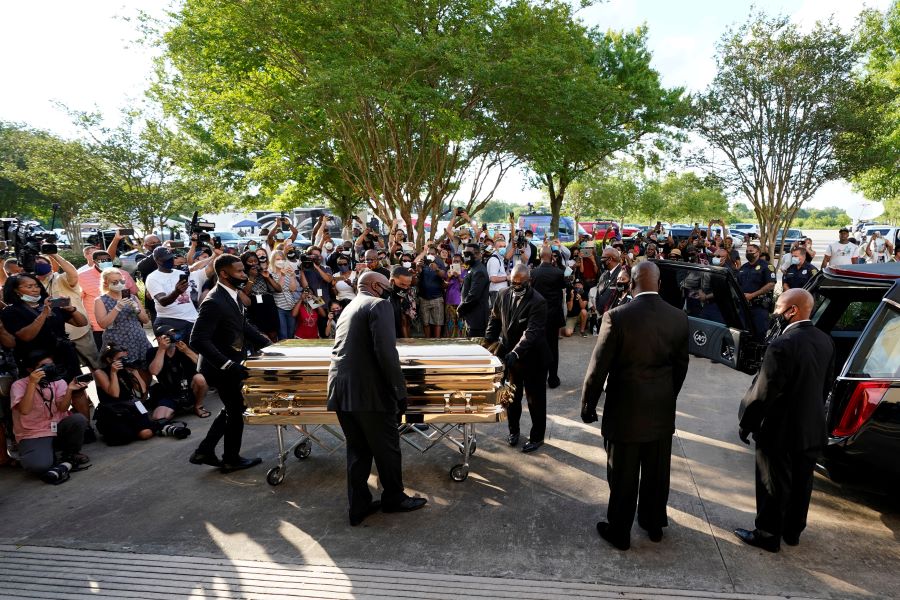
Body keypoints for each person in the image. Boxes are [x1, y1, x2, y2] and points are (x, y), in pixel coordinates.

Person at [580, 261, 689, 551]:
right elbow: (681, 368)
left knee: (623, 475)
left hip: (624, 412)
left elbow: (598, 368)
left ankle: (620, 531)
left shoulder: (616, 317)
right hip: (661, 411)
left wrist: (588, 404)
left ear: (632, 283)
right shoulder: (678, 317)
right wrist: (667, 395)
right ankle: (654, 525)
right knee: (656, 473)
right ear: (659, 284)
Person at [734, 288, 835, 552]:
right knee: (802, 482)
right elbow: (825, 386)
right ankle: (792, 532)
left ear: (793, 311)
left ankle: (767, 534)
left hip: (779, 430)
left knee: (773, 482)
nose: (774, 312)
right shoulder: (825, 340)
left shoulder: (782, 345)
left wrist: (747, 421)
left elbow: (763, 393)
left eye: (778, 307)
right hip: (811, 427)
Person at [327, 271, 427, 526]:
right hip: (369, 393)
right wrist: (399, 390)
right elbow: (386, 352)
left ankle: (358, 506)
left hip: (342, 390)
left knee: (358, 450)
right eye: (387, 286)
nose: (390, 290)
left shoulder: (349, 308)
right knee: (387, 448)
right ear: (375, 286)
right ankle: (394, 498)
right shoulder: (378, 304)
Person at [189, 255, 272, 472]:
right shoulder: (214, 301)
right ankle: (230, 459)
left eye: (244, 271)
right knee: (236, 410)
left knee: (233, 408)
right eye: (239, 272)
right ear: (224, 274)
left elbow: (242, 324)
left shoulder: (232, 296)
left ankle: (205, 450)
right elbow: (197, 339)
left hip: (231, 363)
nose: (244, 275)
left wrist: (268, 344)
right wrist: (226, 364)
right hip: (221, 367)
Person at [485, 264, 550, 454]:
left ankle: (537, 437)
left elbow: (531, 333)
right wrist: (488, 343)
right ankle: (513, 431)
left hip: (534, 358)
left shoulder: (538, 302)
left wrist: (515, 352)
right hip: (511, 358)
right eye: (514, 282)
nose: (517, 286)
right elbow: (495, 319)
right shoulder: (503, 294)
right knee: (512, 397)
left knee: (535, 401)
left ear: (529, 281)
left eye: (521, 283)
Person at [10, 351, 90, 484]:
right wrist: (32, 383)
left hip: (56, 426)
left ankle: (70, 453)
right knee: (39, 467)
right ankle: (40, 453)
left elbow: (63, 409)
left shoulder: (58, 381)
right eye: (45, 366)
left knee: (78, 420)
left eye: (51, 365)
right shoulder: (18, 385)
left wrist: (70, 389)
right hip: (33, 433)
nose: (50, 369)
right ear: (31, 369)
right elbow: (24, 410)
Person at [32, 252, 100, 371]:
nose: (38, 266)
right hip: (55, 337)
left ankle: (103, 388)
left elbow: (72, 273)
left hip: (79, 332)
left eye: (42, 263)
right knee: (68, 371)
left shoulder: (61, 278)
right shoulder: (32, 285)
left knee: (95, 366)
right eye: (35, 264)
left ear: (50, 265)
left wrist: (54, 255)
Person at [92, 344, 156, 445]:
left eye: (125, 357)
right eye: (120, 358)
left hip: (130, 406)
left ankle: (137, 428)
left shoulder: (126, 369)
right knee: (125, 437)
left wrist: (135, 372)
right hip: (113, 410)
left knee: (146, 434)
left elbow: (143, 391)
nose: (124, 361)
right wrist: (113, 373)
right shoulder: (100, 372)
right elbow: (115, 394)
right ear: (109, 360)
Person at [80, 249, 138, 350]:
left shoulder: (123, 274)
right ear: (94, 262)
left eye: (108, 260)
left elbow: (133, 293)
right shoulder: (82, 276)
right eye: (102, 261)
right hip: (98, 326)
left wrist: (137, 311)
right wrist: (86, 321)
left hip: (126, 325)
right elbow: (78, 301)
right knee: (107, 358)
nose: (106, 262)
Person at [95, 268, 152, 367]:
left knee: (144, 367)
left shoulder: (132, 297)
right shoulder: (101, 300)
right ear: (106, 283)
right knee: (122, 370)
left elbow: (145, 320)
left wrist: (136, 308)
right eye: (115, 282)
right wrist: (117, 307)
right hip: (117, 341)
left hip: (137, 338)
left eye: (121, 281)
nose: (119, 284)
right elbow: (103, 324)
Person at [147, 327, 209, 419]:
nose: (172, 337)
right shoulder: (152, 352)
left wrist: (187, 351)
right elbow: (154, 371)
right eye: (167, 335)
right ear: (158, 339)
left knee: (200, 379)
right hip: (169, 394)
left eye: (173, 334)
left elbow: (202, 366)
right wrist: (162, 349)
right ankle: (178, 408)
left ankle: (198, 406)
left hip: (189, 390)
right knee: (158, 417)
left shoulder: (184, 347)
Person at [530, 247, 566, 388]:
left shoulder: (533, 273)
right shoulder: (558, 272)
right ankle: (552, 378)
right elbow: (564, 287)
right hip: (553, 315)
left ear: (539, 256)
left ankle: (539, 377)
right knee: (553, 347)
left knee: (537, 347)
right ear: (552, 257)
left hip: (538, 315)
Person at [145, 247, 198, 343]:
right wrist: (176, 292)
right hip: (172, 321)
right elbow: (163, 301)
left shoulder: (181, 273)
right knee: (179, 355)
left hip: (192, 320)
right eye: (166, 259)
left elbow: (191, 295)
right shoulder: (152, 278)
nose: (169, 260)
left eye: (171, 257)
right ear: (157, 260)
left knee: (195, 353)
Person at [737, 242, 776, 341]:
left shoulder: (766, 266)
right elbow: (738, 284)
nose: (748, 253)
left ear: (758, 252)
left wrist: (752, 295)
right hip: (744, 307)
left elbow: (771, 285)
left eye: (751, 251)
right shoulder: (743, 268)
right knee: (743, 333)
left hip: (759, 307)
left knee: (759, 334)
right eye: (746, 251)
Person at [457, 244, 489, 337]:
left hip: (477, 318)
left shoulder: (479, 271)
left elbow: (474, 295)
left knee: (476, 347)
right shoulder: (472, 268)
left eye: (468, 254)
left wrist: (461, 308)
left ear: (478, 254)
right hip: (471, 316)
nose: (466, 257)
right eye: (465, 253)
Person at [416, 249, 447, 338]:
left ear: (436, 254)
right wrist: (418, 266)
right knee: (425, 322)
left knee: (438, 322)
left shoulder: (439, 262)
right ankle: (427, 341)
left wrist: (436, 269)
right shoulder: (422, 262)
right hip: (423, 297)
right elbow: (418, 274)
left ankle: (437, 341)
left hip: (437, 297)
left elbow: (444, 275)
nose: (430, 255)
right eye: (429, 253)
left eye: (432, 254)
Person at [589, 247, 623, 316]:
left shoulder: (622, 274)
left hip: (615, 317)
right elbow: (599, 292)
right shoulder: (604, 274)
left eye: (603, 258)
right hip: (602, 316)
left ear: (610, 259)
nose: (601, 260)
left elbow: (621, 294)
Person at [444, 254, 467, 337]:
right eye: (454, 261)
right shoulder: (449, 272)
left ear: (462, 262)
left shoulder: (466, 272)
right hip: (450, 301)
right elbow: (445, 286)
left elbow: (465, 283)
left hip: (461, 302)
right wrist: (449, 277)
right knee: (450, 324)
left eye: (458, 261)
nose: (456, 263)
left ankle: (461, 341)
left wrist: (457, 276)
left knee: (461, 324)